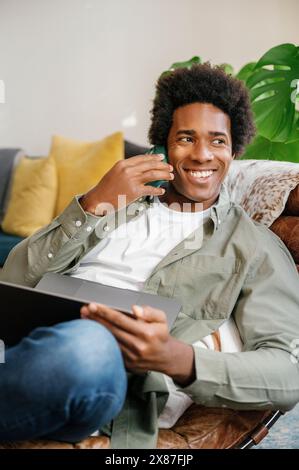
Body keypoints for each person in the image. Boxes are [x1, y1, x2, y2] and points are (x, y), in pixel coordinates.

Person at [1, 63, 299, 448]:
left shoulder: (253, 246)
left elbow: (289, 373)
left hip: (109, 378)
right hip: (28, 349)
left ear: (234, 149)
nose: (202, 155)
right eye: (186, 138)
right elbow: (13, 280)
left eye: (218, 141)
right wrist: (92, 204)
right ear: (164, 145)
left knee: (88, 344)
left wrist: (178, 358)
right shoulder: (116, 206)